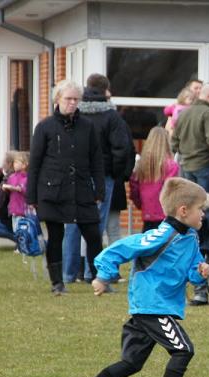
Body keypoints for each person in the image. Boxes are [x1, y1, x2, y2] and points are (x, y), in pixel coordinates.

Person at [59, 178, 209, 377]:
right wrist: (103, 276)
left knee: (130, 363)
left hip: (156, 307)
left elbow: (192, 272)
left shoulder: (191, 238)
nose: (203, 214)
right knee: (183, 349)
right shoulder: (162, 235)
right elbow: (118, 249)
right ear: (183, 210)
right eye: (200, 208)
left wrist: (201, 272)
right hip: (152, 306)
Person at [27, 79, 106, 296]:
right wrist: (31, 196)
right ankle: (57, 283)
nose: (72, 103)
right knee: (55, 235)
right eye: (68, 99)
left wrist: (99, 190)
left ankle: (101, 280)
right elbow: (34, 163)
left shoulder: (88, 127)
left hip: (81, 189)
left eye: (75, 99)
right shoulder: (44, 127)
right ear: (57, 100)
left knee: (93, 235)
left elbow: (97, 161)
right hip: (53, 191)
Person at [64, 74, 133, 283]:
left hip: (75, 175)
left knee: (72, 224)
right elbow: (122, 148)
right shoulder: (112, 117)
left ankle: (68, 273)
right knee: (96, 226)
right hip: (103, 175)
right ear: (106, 90)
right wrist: (117, 174)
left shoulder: (74, 115)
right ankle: (91, 271)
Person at [171, 83, 209, 211]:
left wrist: (182, 152)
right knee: (206, 204)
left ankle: (192, 231)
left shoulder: (184, 113)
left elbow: (174, 140)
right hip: (204, 164)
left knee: (189, 205)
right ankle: (205, 231)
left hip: (186, 165)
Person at [130, 127, 179, 232]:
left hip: (148, 214)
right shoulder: (171, 166)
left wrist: (141, 204)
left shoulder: (141, 165)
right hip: (165, 215)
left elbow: (134, 189)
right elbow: (171, 190)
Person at [2, 151, 29, 232]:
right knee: (16, 231)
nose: (15, 164)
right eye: (14, 162)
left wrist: (12, 187)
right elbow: (8, 189)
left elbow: (22, 189)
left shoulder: (25, 177)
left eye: (17, 162)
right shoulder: (12, 177)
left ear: (24, 165)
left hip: (22, 210)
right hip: (14, 210)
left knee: (22, 233)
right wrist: (5, 188)